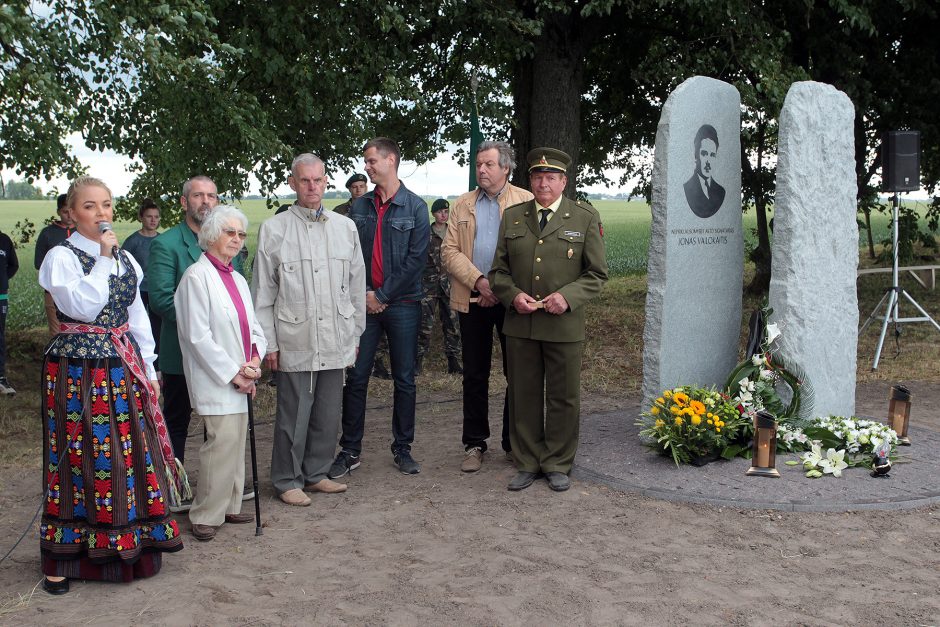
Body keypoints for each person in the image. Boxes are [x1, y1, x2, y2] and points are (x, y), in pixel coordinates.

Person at [37, 176, 184, 594]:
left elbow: (137, 318)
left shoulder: (126, 260)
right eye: (89, 206)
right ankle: (63, 560)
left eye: (106, 204)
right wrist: (102, 257)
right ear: (70, 213)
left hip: (122, 366)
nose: (101, 214)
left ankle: (128, 545)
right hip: (76, 371)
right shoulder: (60, 258)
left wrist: (151, 369)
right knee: (78, 455)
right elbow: (82, 305)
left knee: (128, 452)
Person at [489, 147, 608, 492]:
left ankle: (557, 462)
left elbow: (597, 274)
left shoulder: (584, 217)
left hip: (563, 325)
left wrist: (566, 298)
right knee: (523, 395)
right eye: (538, 177)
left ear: (563, 182)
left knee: (563, 396)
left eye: (551, 178)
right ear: (530, 180)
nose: (544, 183)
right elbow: (499, 271)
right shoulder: (512, 217)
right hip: (521, 324)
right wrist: (513, 296)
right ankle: (526, 461)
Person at [254, 154, 366, 506]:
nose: (312, 187)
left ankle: (316, 473)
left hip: (336, 333)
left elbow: (356, 283)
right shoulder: (275, 230)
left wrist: (356, 333)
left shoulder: (344, 227)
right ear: (293, 183)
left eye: (318, 180)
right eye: (305, 181)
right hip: (294, 337)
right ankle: (286, 479)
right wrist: (268, 342)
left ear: (326, 181)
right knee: (293, 412)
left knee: (328, 410)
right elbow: (263, 293)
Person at [329, 137, 429, 478]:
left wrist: (382, 295)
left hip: (401, 304)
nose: (367, 167)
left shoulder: (415, 207)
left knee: (404, 379)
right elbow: (347, 256)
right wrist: (365, 296)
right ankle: (350, 450)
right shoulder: (359, 208)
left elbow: (417, 260)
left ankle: (403, 448)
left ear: (391, 160)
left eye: (372, 161)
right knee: (356, 378)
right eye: (366, 161)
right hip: (362, 304)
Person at [149, 176, 248, 513]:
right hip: (181, 350)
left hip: (224, 353)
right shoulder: (167, 244)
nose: (205, 201)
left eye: (211, 196)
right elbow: (161, 298)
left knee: (218, 424)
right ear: (183, 202)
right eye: (198, 196)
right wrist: (202, 322)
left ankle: (216, 489)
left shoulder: (230, 245)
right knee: (177, 420)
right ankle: (173, 488)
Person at [441, 140, 534, 472]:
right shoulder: (462, 205)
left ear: (505, 168)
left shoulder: (526, 201)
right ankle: (474, 444)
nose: (481, 169)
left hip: (513, 302)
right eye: (478, 164)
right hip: (473, 298)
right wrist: (481, 281)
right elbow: (449, 252)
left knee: (518, 373)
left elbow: (532, 253)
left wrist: (502, 288)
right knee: (475, 374)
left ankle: (514, 443)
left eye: (488, 164)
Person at [175, 206, 266, 539]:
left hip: (243, 374)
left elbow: (253, 327)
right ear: (211, 235)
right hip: (218, 377)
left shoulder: (238, 278)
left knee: (236, 440)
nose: (237, 239)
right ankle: (205, 513)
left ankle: (229, 505)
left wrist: (255, 360)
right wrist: (234, 373)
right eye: (230, 232)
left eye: (241, 234)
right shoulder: (195, 278)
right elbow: (197, 336)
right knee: (221, 443)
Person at [336, 173, 391, 379]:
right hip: (349, 269)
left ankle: (379, 362)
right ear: (349, 189)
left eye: (362, 186)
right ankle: (351, 363)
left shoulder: (376, 208)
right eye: (355, 187)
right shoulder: (341, 212)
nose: (359, 190)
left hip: (372, 268)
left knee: (380, 327)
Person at [417, 198, 461, 376]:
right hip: (428, 286)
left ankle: (454, 361)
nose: (444, 214)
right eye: (440, 211)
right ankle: (417, 361)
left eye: (446, 211)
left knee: (453, 325)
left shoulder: (453, 233)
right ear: (433, 214)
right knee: (424, 325)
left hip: (449, 286)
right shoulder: (424, 233)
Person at [122, 199, 162, 356]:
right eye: (149, 216)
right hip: (138, 291)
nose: (153, 220)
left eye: (156, 217)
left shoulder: (162, 241)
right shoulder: (132, 242)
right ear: (141, 217)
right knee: (136, 325)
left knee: (157, 326)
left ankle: (157, 362)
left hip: (156, 290)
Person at [34, 193, 74, 335]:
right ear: (58, 212)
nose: (69, 215)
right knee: (57, 332)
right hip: (53, 290)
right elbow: (39, 263)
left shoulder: (83, 232)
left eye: (71, 211)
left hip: (79, 290)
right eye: (65, 212)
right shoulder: (48, 234)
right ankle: (56, 357)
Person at [682, 124, 726, 219]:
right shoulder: (686, 188)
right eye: (704, 154)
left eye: (712, 155)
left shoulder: (721, 191)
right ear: (696, 154)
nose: (708, 162)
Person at [0, 229, 18, 396]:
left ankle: (0, 378)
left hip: (0, 296)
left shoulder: (4, 240)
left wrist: (2, 279)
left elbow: (14, 265)